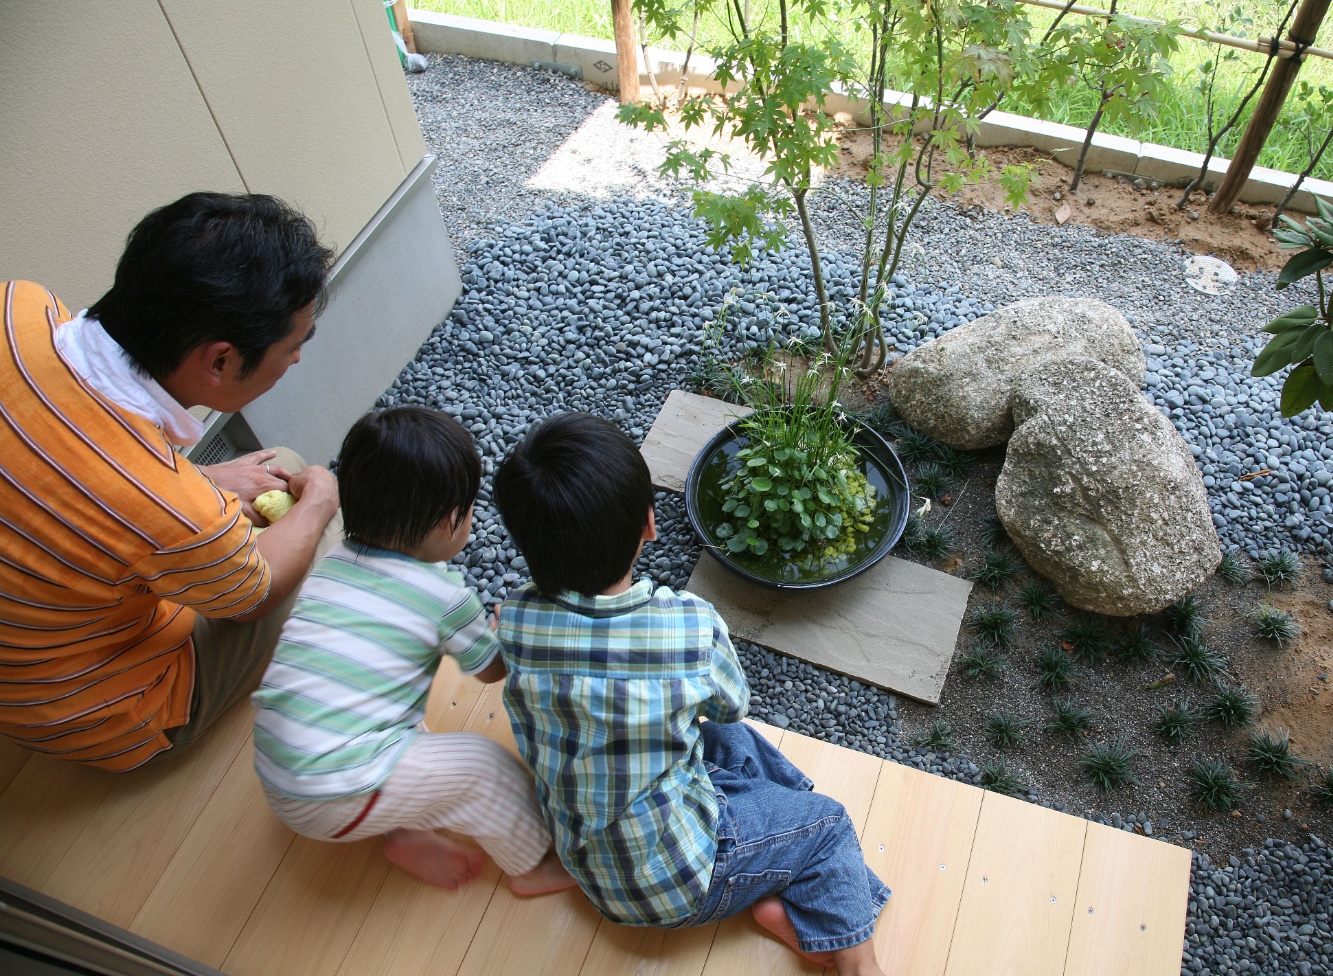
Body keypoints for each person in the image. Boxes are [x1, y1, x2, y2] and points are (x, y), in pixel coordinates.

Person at [491, 412, 890, 975]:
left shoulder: (516, 620)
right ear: (649, 526)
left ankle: (786, 862)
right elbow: (732, 705)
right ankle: (852, 955)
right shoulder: (688, 630)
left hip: (586, 860)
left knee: (727, 746)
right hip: (676, 887)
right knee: (828, 824)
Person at [0, 193, 341, 770]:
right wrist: (320, 504)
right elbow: (252, 597)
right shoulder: (177, 514)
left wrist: (198, 479)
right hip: (94, 715)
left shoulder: (18, 304)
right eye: (293, 347)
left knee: (252, 486)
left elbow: (66, 473)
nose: (297, 362)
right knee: (309, 524)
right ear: (219, 362)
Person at [250, 406, 575, 894]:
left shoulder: (333, 559)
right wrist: (509, 633)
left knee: (389, 715)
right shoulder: (443, 599)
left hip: (280, 765)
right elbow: (493, 672)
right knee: (481, 767)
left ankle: (401, 825)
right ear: (450, 521)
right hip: (330, 794)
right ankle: (531, 868)